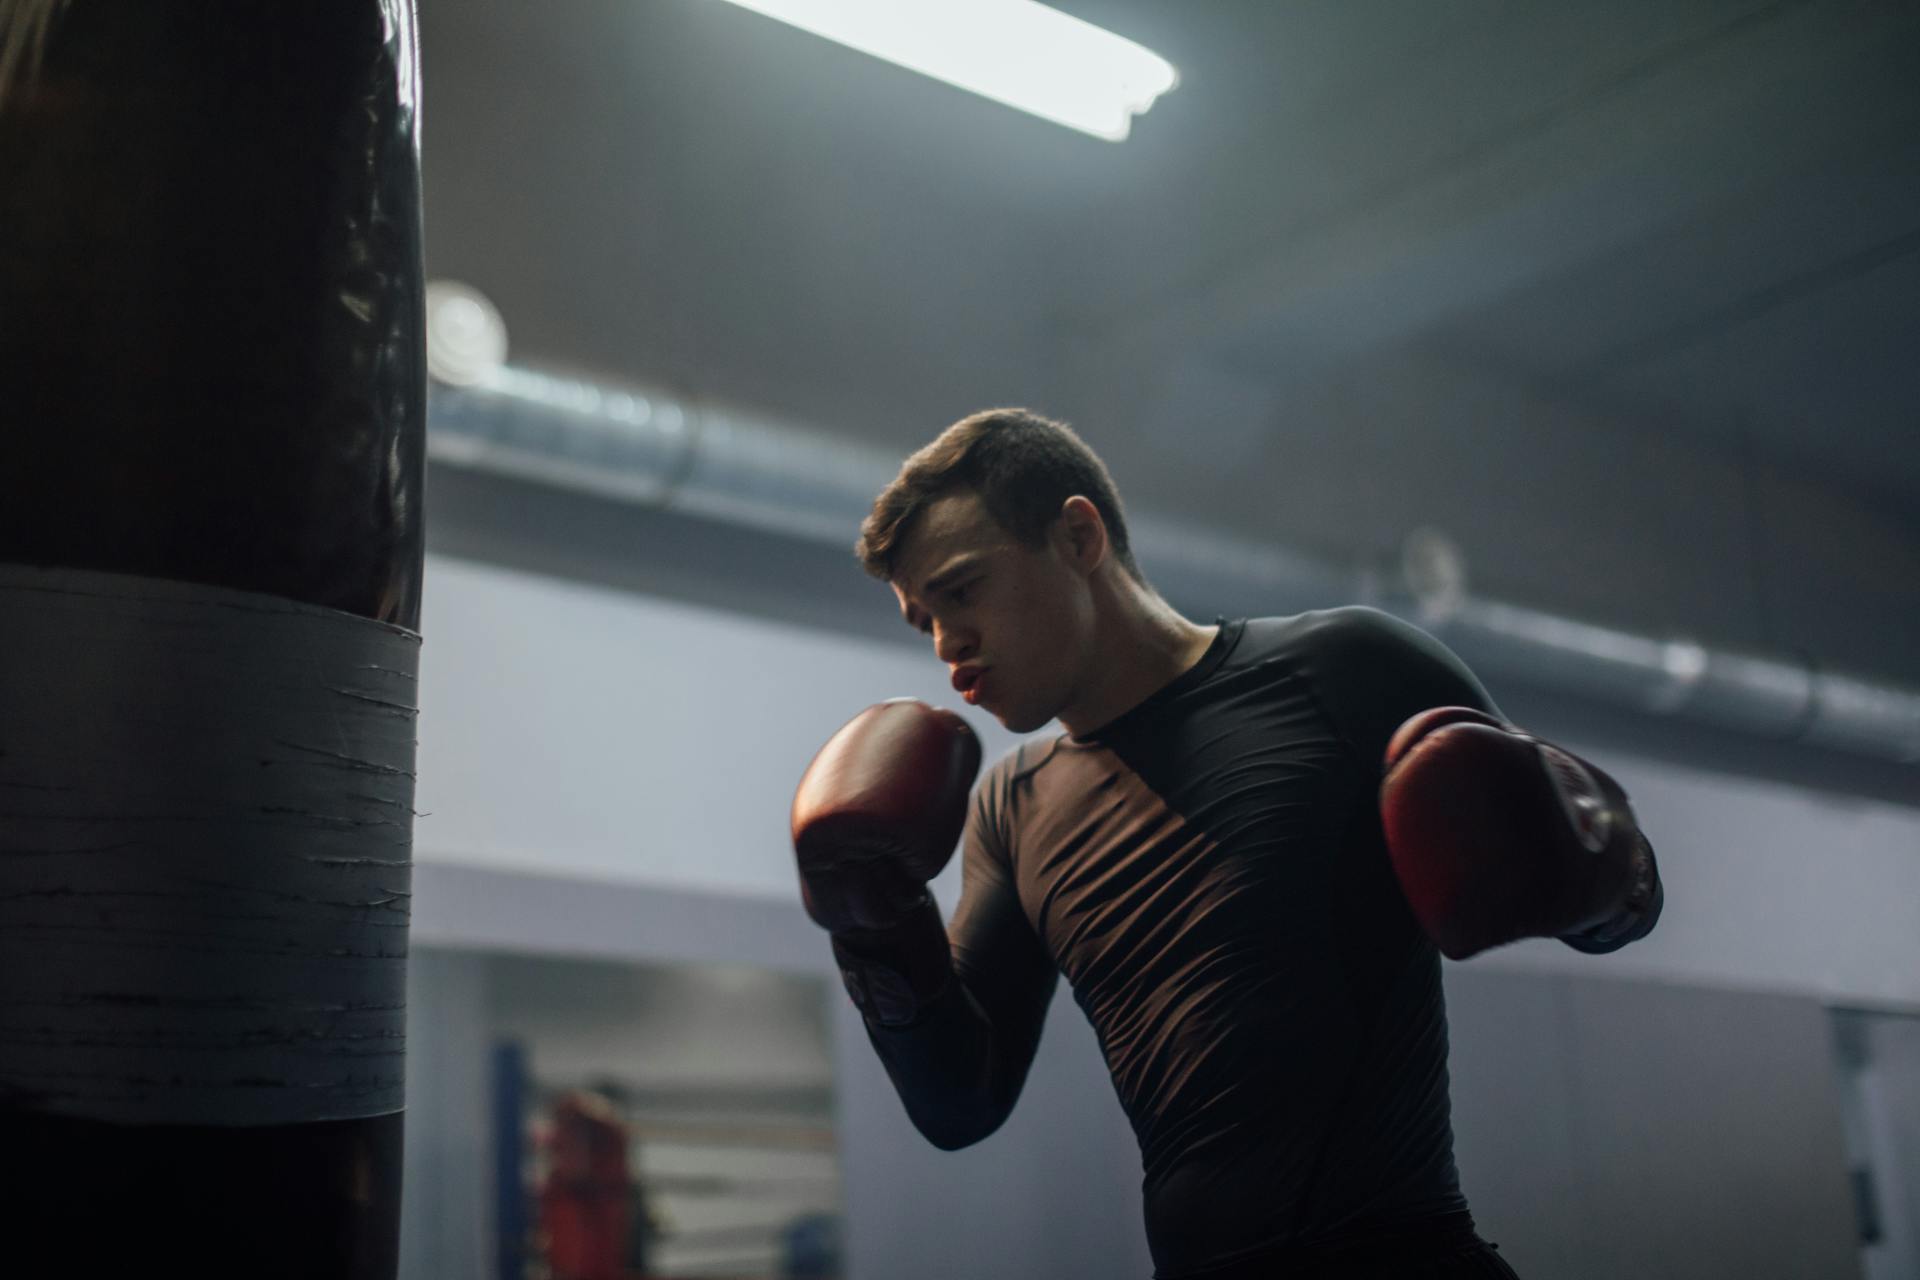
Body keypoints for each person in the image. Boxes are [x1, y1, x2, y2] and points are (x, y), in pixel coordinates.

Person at [790, 409, 1663, 1279]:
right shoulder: (1010, 809)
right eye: (922, 621)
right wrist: (875, 928)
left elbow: (1621, 904)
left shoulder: (1346, 670)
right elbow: (960, 1105)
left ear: (1078, 536)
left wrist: (1593, 863)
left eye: (961, 589)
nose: (947, 644)